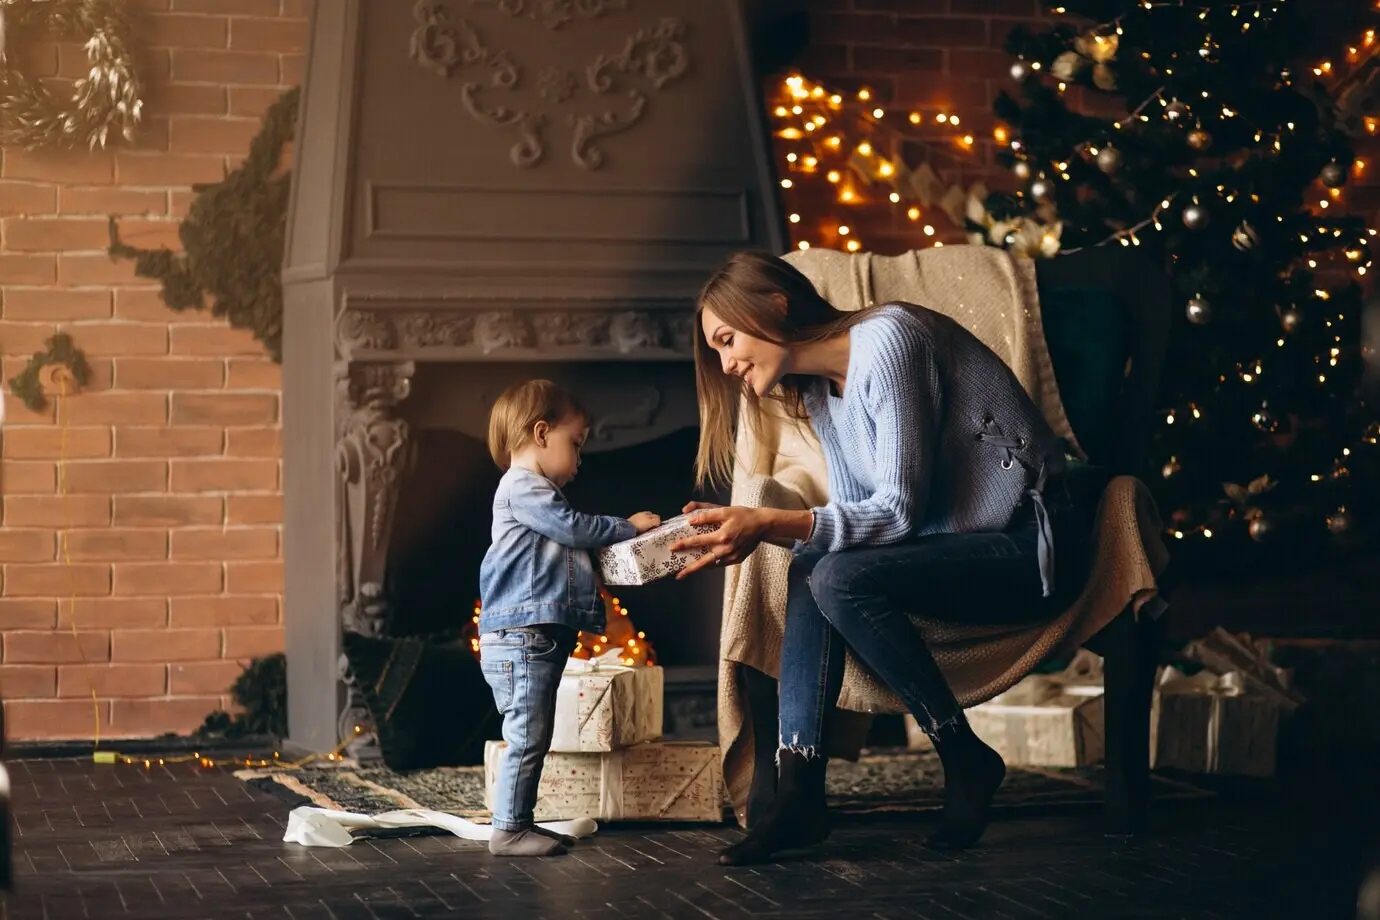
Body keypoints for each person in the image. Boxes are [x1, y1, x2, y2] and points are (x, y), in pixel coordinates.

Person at [669, 251, 1070, 866]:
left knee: (833, 573)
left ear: (774, 306)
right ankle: (800, 788)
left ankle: (963, 755)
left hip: (1031, 543)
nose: (725, 365)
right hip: (956, 549)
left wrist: (768, 522)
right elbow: (856, 527)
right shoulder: (822, 392)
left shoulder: (889, 340)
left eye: (727, 340)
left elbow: (900, 512)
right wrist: (750, 529)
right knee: (817, 564)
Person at [478, 379, 660, 857]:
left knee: (532, 733)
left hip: (534, 635)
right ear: (541, 433)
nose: (579, 460)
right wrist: (628, 526)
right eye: (575, 444)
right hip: (522, 637)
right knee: (526, 736)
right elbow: (574, 527)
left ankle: (519, 823)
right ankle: (509, 829)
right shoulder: (523, 487)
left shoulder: (530, 491)